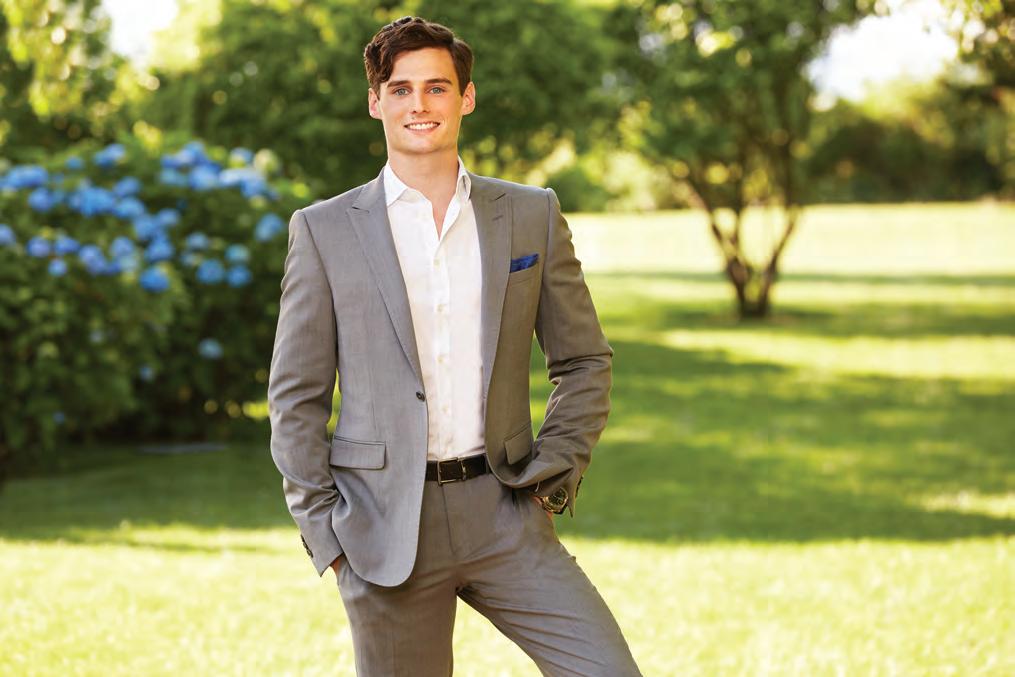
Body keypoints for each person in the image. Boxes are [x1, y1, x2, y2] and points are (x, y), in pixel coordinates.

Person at [267, 15, 641, 677]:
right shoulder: (323, 231)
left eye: (436, 87)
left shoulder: (530, 214)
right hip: (384, 527)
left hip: (506, 509)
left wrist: (555, 467)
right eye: (401, 89)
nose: (420, 104)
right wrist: (328, 534)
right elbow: (295, 397)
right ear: (376, 102)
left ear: (466, 97)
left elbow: (584, 360)